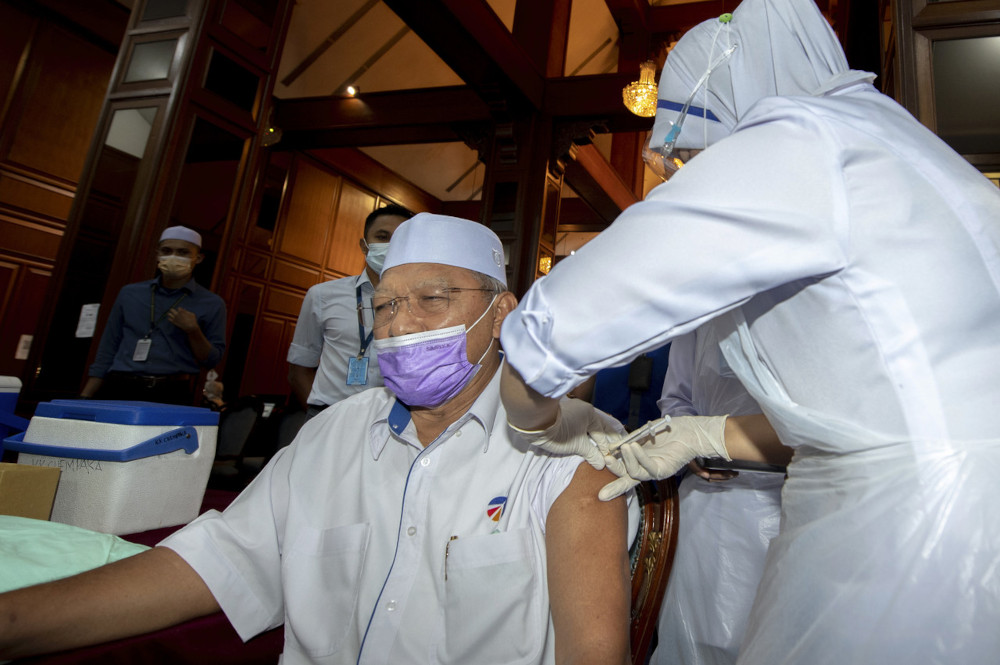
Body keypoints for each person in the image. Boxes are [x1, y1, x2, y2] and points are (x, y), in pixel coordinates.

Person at [498, 0, 1000, 662]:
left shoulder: (799, 143)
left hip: (915, 531)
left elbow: (558, 320)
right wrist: (703, 434)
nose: (684, 174)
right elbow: (868, 407)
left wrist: (532, 418)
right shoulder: (910, 151)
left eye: (688, 155)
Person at [0, 213, 633, 665]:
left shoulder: (571, 454)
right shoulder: (332, 436)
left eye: (431, 300)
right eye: (383, 307)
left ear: (502, 313)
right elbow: (217, 560)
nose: (400, 325)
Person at [652, 325, 782, 665]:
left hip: (793, 498)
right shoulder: (703, 302)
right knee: (692, 640)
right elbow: (676, 399)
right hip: (708, 500)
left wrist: (704, 435)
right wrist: (687, 435)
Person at [287, 203, 412, 418]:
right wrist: (321, 420)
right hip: (329, 415)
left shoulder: (425, 304)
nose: (390, 246)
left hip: (393, 421)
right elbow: (299, 369)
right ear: (364, 246)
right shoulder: (322, 296)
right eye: (382, 237)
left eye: (399, 239)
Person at [81, 226, 226, 405]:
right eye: (167, 251)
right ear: (157, 254)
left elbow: (212, 359)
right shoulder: (130, 293)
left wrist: (193, 331)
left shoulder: (212, 303)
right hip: (120, 386)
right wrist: (86, 396)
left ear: (198, 258)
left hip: (171, 392)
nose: (173, 257)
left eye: (183, 252)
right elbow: (108, 345)